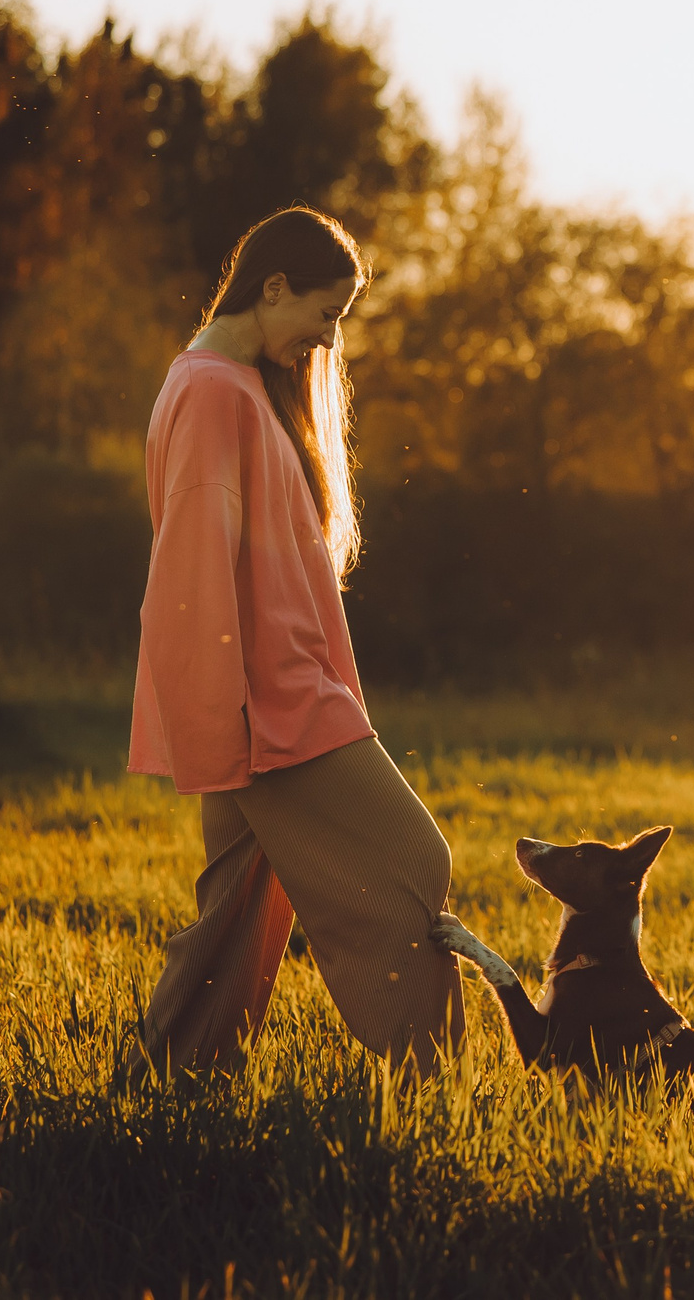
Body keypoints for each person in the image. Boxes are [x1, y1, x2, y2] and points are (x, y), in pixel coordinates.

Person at [120, 206, 460, 1079]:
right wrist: (221, 718)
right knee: (418, 858)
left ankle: (170, 1084)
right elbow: (191, 571)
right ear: (273, 287)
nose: (326, 338)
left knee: (237, 904)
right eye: (325, 313)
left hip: (275, 695)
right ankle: (430, 1088)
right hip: (269, 703)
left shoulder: (237, 387)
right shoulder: (208, 391)